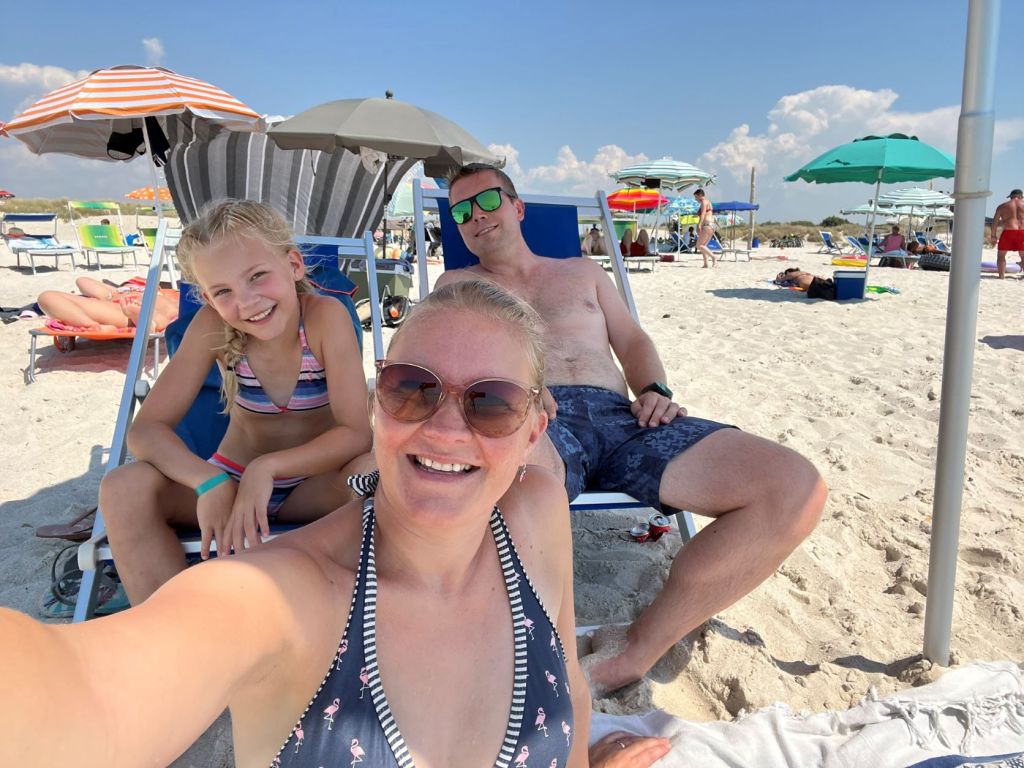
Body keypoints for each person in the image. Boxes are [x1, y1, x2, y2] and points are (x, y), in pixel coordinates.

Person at [0, 281, 670, 768]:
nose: (444, 429)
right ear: (378, 406)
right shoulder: (280, 597)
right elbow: (80, 696)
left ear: (533, 434)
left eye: (490, 403)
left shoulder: (536, 514)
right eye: (412, 388)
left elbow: (572, 690)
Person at [434, 163, 827, 695]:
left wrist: (654, 390)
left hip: (627, 419)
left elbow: (634, 341)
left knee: (793, 488)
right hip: (535, 420)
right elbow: (442, 356)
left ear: (517, 206)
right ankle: (517, 652)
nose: (475, 216)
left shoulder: (583, 272)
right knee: (501, 491)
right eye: (460, 211)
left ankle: (638, 650)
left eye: (486, 201)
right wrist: (509, 388)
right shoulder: (458, 285)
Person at [98, 200, 373, 604]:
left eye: (257, 276)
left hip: (312, 485)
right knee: (123, 487)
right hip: (230, 482)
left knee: (375, 474)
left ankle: (344, 615)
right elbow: (145, 431)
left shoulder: (324, 318)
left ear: (294, 265)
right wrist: (208, 481)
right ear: (208, 300)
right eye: (223, 291)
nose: (246, 302)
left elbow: (356, 433)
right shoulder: (212, 326)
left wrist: (269, 468)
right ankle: (168, 625)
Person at [37, 276, 178, 332]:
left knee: (168, 308)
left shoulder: (163, 293)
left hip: (143, 304)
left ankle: (145, 321)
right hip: (118, 306)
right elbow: (82, 280)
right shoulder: (114, 293)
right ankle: (90, 324)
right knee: (46, 297)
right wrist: (115, 291)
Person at [991, 188, 1024, 279]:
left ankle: (1001, 276)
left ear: (1011, 196)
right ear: (1020, 196)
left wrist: (993, 236)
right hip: (1022, 232)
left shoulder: (1002, 206)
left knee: (1001, 255)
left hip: (1008, 232)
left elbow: (995, 222)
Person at [694, 188, 716, 268]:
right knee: (703, 245)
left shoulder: (704, 202)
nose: (695, 199)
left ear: (700, 195)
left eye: (696, 197)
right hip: (711, 225)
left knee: (699, 245)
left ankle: (713, 257)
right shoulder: (708, 202)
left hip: (707, 225)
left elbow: (703, 214)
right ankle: (706, 263)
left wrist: (699, 224)